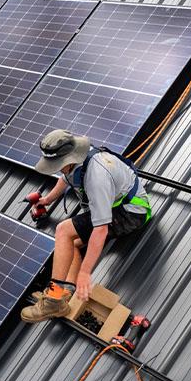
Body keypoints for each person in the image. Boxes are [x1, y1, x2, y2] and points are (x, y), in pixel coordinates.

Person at [21, 129, 152, 322]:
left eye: (57, 165)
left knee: (63, 230)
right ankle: (64, 296)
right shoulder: (78, 159)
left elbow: (101, 229)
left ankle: (53, 299)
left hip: (131, 213)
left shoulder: (96, 176)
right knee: (70, 244)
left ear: (68, 159)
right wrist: (47, 200)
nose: (57, 168)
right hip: (116, 206)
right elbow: (66, 179)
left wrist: (84, 272)